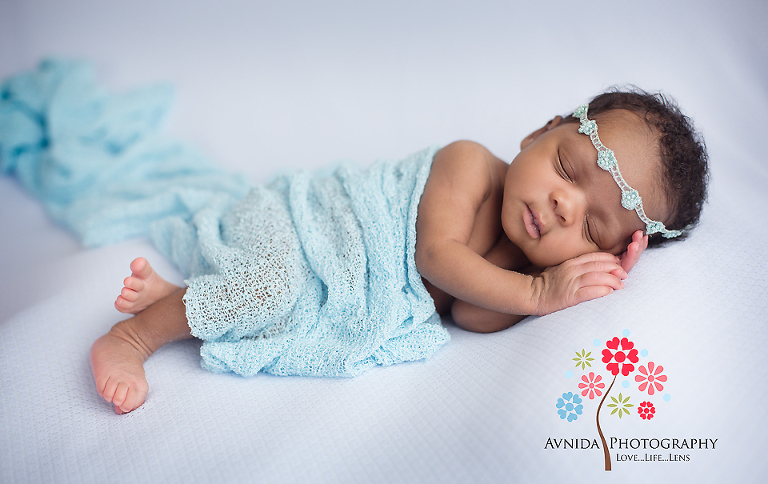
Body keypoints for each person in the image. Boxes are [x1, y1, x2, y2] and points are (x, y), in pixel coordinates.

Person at [90, 89, 708, 414]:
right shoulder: (470, 164)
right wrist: (539, 292)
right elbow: (438, 258)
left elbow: (470, 313)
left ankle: (185, 298)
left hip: (325, 274)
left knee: (284, 307)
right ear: (540, 133)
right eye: (568, 169)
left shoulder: (517, 271)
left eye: (594, 231)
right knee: (272, 290)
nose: (565, 207)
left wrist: (569, 287)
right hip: (302, 223)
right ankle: (134, 338)